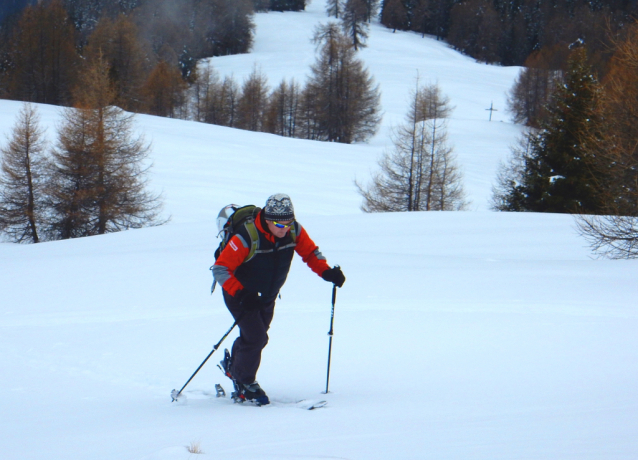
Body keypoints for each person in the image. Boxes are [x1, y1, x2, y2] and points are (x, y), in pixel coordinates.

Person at [212, 193, 345, 405]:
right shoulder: (247, 236)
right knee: (256, 338)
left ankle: (233, 368)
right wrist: (241, 293)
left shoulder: (294, 230)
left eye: (287, 223)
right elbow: (220, 269)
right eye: (278, 224)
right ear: (267, 219)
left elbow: (310, 253)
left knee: (255, 336)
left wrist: (327, 272)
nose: (284, 228)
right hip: (239, 295)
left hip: (268, 295)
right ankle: (245, 382)